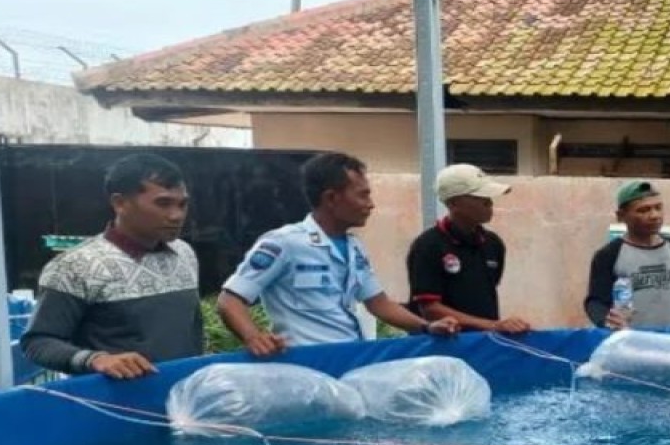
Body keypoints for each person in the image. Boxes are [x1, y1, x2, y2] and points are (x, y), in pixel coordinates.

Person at [217, 152, 456, 355]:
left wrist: (426, 327)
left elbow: (378, 303)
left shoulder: (354, 247)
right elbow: (230, 300)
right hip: (305, 367)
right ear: (331, 198)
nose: (371, 204)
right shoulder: (284, 243)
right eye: (363, 194)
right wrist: (253, 337)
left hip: (349, 360)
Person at [22, 153, 201, 379]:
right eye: (163, 203)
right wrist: (95, 359)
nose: (176, 215)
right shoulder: (76, 266)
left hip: (182, 401)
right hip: (114, 407)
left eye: (182, 204)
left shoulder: (184, 253)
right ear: (120, 203)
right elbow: (37, 342)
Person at [407, 164, 532, 334]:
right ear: (454, 203)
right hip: (444, 345)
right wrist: (493, 325)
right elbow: (430, 309)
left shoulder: (493, 244)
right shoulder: (428, 245)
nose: (489, 202)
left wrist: (491, 327)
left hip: (484, 343)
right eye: (480, 196)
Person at [584, 180, 670, 329]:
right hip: (630, 344)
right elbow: (595, 302)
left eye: (658, 208)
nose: (654, 215)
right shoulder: (609, 255)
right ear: (621, 216)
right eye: (643, 210)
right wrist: (609, 321)